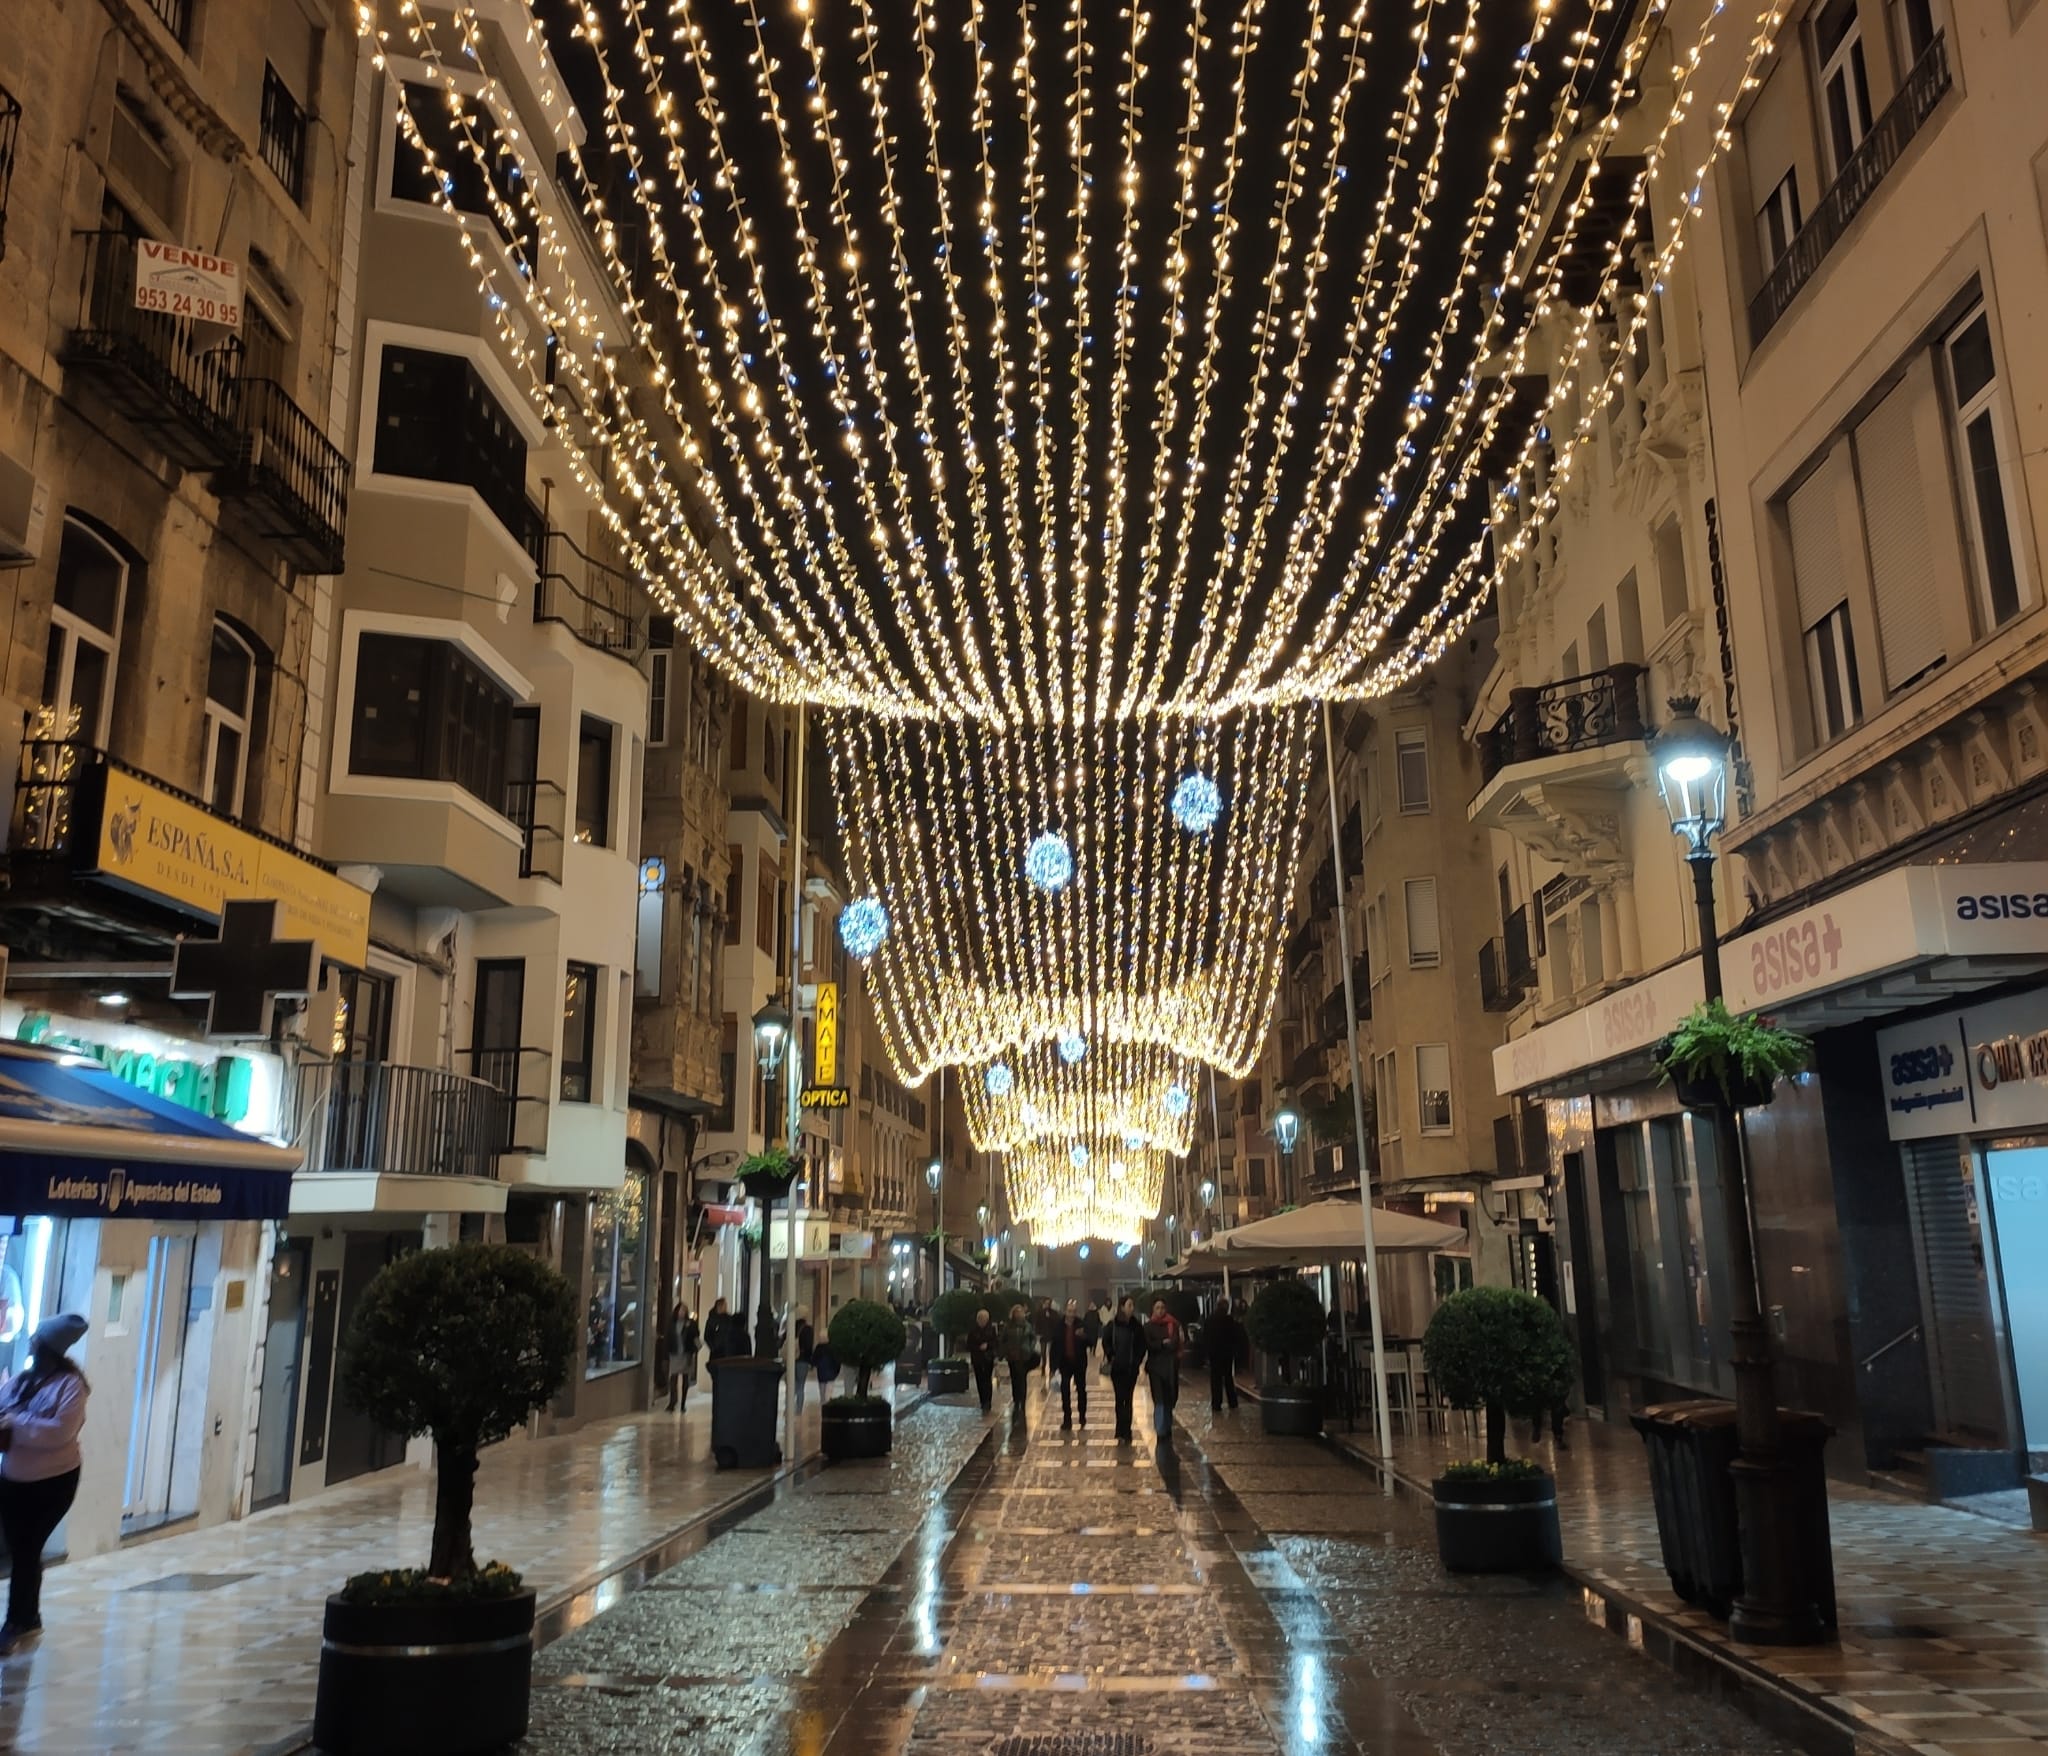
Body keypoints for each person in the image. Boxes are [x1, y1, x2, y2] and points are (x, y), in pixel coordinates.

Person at [0, 1314, 88, 1655]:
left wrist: (17, 1423)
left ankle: (16, 1623)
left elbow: (60, 1432)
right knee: (24, 1549)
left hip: (53, 1482)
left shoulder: (71, 1387)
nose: (32, 1343)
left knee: (26, 1548)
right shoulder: (24, 1380)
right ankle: (27, 1617)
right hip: (14, 1479)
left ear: (49, 1348)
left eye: (38, 1340)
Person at [1101, 1295, 1145, 1443]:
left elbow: (1141, 1346)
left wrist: (1137, 1361)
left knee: (1129, 1399)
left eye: (1133, 1305)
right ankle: (1120, 1430)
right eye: (1129, 1305)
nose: (1132, 1308)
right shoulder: (1113, 1326)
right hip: (1117, 1369)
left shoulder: (1136, 1326)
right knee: (1120, 1399)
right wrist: (1111, 1355)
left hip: (1131, 1369)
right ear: (1122, 1307)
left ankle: (1127, 1430)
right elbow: (1106, 1341)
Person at [1052, 1298, 1098, 1430]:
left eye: (1073, 1311)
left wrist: (1083, 1336)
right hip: (1064, 1363)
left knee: (1081, 1390)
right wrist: (1053, 1366)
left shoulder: (1081, 1324)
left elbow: (1091, 1342)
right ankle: (1067, 1418)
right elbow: (1055, 1346)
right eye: (1069, 1311)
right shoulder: (1059, 1326)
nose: (1071, 1314)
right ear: (1065, 1311)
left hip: (1079, 1363)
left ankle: (1082, 1415)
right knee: (1065, 1391)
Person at [1144, 1299, 1182, 1442]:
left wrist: (1167, 1344)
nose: (1160, 1310)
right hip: (1155, 1368)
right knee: (1159, 1398)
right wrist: (1161, 1343)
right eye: (1157, 1307)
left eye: (1162, 1307)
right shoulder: (1148, 1326)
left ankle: (1167, 1426)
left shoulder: (1173, 1324)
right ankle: (1160, 1429)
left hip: (1171, 1366)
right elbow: (1148, 1344)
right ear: (1153, 1310)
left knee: (1170, 1397)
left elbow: (1175, 1342)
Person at [1001, 1302, 1038, 1417]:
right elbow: (1003, 1339)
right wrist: (1005, 1350)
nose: (1018, 1314)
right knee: (1015, 1379)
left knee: (1022, 1378)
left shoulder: (1027, 1325)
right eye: (1016, 1312)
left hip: (1024, 1356)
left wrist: (1030, 1348)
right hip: (1012, 1356)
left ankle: (1022, 1400)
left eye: (1020, 1312)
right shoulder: (1008, 1326)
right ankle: (1016, 1399)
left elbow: (1033, 1337)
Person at [1205, 1297, 1242, 1413]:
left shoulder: (1210, 1319)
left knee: (1215, 1379)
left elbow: (1205, 1337)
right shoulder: (1229, 1320)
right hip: (1227, 1354)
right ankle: (1232, 1402)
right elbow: (1235, 1337)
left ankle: (1216, 1403)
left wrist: (1207, 1352)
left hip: (1214, 1354)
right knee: (1228, 1378)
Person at [965, 1305, 1000, 1413]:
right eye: (980, 1318)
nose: (982, 1321)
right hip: (977, 1358)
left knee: (987, 1380)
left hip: (988, 1358)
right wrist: (977, 1348)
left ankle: (987, 1401)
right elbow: (968, 1345)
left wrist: (988, 1345)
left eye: (984, 1319)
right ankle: (982, 1400)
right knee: (980, 1380)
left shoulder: (991, 1329)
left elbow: (995, 1342)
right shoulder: (973, 1330)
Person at [674, 1307, 701, 1410]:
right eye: (680, 1311)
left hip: (687, 1353)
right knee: (673, 1377)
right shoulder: (673, 1323)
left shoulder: (691, 1324)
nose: (681, 1313)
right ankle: (673, 1401)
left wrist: (695, 1349)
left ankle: (683, 1403)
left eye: (683, 1311)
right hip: (675, 1353)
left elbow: (696, 1336)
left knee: (685, 1378)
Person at [793, 1309, 816, 1410]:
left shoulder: (792, 1326)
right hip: (803, 1360)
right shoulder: (808, 1329)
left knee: (792, 1385)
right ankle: (798, 1409)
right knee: (800, 1385)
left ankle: (789, 1407)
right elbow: (809, 1346)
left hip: (791, 1359)